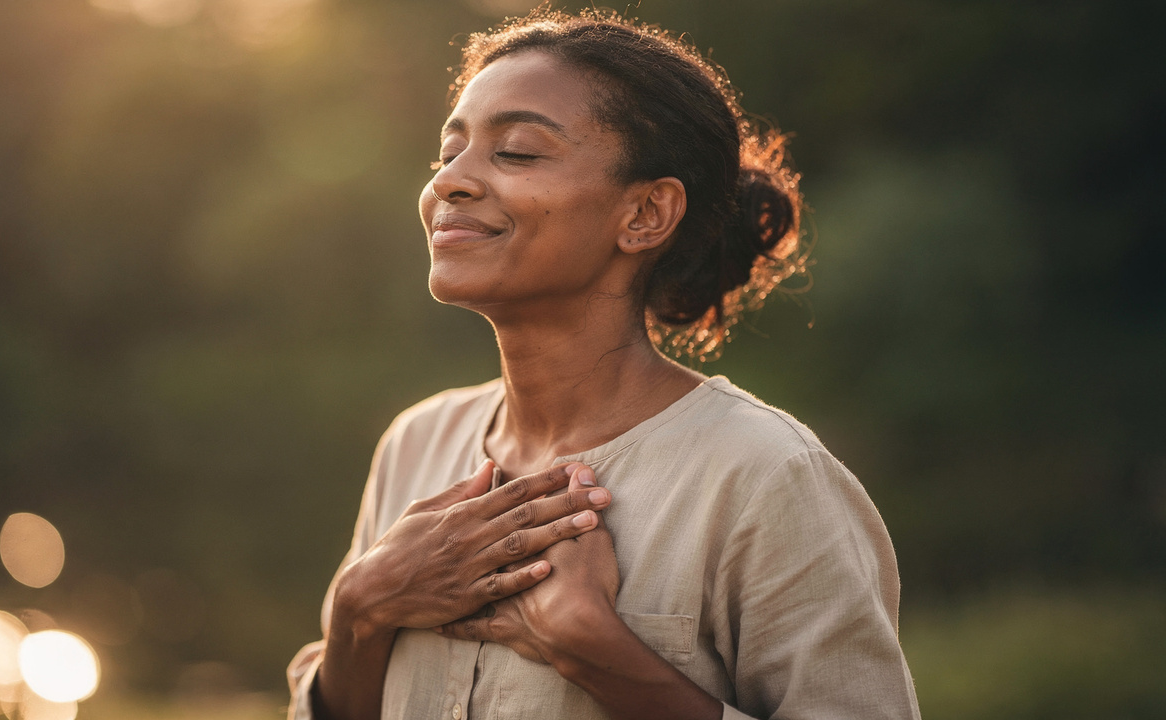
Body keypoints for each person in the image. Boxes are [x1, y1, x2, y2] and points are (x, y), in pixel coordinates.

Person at [287, 10, 921, 720]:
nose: (449, 184)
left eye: (517, 153)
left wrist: (599, 652)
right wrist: (358, 610)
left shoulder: (765, 476)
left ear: (646, 214)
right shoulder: (417, 442)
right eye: (448, 153)